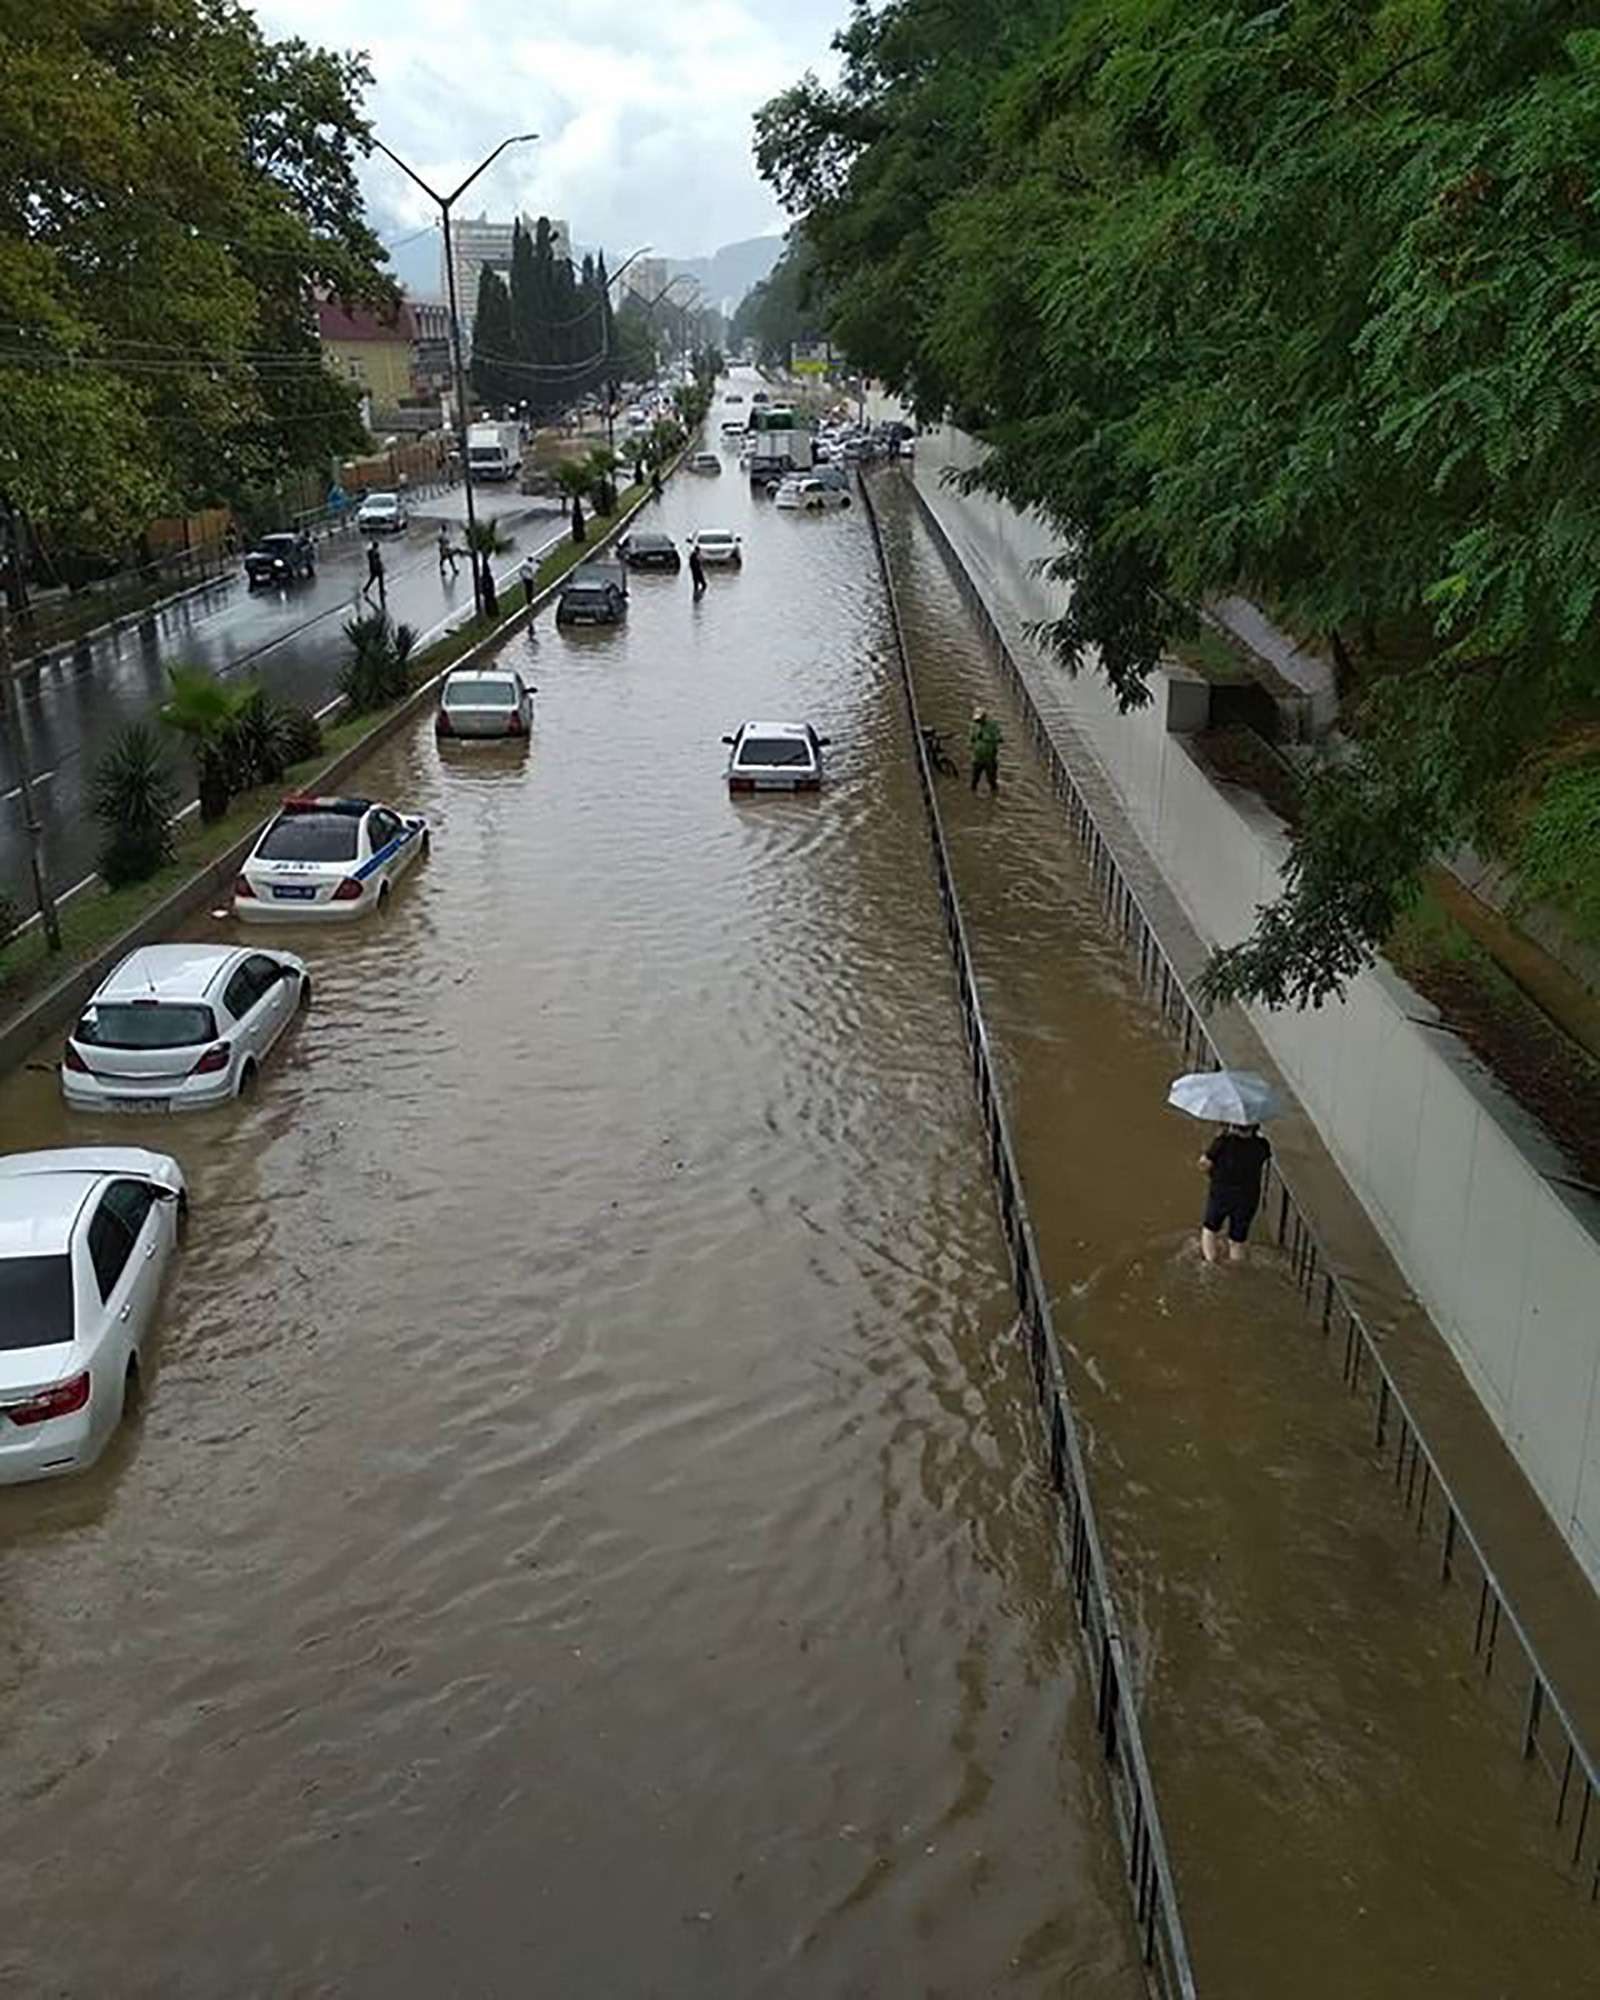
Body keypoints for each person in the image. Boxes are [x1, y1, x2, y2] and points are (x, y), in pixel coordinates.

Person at [1198, 1122, 1272, 1265]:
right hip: (1248, 1198)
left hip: (1221, 1195)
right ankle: (1236, 1265)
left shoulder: (1222, 1143)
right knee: (1238, 1239)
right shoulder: (1261, 1145)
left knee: (1210, 1229)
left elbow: (1204, 1164)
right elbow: (1264, 1156)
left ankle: (1210, 1262)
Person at [969, 706, 1001, 794]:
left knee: (991, 780)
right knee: (974, 779)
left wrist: (986, 737)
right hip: (977, 757)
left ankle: (994, 794)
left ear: (984, 717)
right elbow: (971, 739)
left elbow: (999, 738)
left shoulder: (993, 726)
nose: (978, 722)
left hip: (989, 758)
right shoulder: (974, 726)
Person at [363, 540, 385, 606]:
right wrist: (379, 567)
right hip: (376, 568)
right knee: (378, 579)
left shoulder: (371, 552)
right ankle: (380, 591)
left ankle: (366, 588)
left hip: (374, 568)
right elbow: (376, 561)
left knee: (374, 579)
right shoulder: (374, 553)